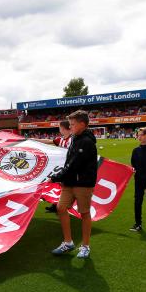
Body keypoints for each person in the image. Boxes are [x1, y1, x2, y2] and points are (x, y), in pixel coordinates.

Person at [49, 110, 97, 259]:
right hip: (69, 182)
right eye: (70, 124)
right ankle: (68, 242)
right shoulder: (76, 138)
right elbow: (69, 163)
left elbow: (73, 165)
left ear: (82, 124)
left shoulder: (87, 142)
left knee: (84, 213)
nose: (70, 127)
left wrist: (55, 177)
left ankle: (85, 246)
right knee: (61, 207)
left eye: (73, 124)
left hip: (83, 184)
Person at [31, 120, 73, 213]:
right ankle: (56, 205)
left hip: (70, 168)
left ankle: (65, 206)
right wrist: (34, 140)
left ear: (62, 128)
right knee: (59, 185)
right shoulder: (61, 139)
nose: (59, 129)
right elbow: (49, 141)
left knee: (66, 187)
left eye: (60, 127)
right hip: (61, 167)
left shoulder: (72, 140)